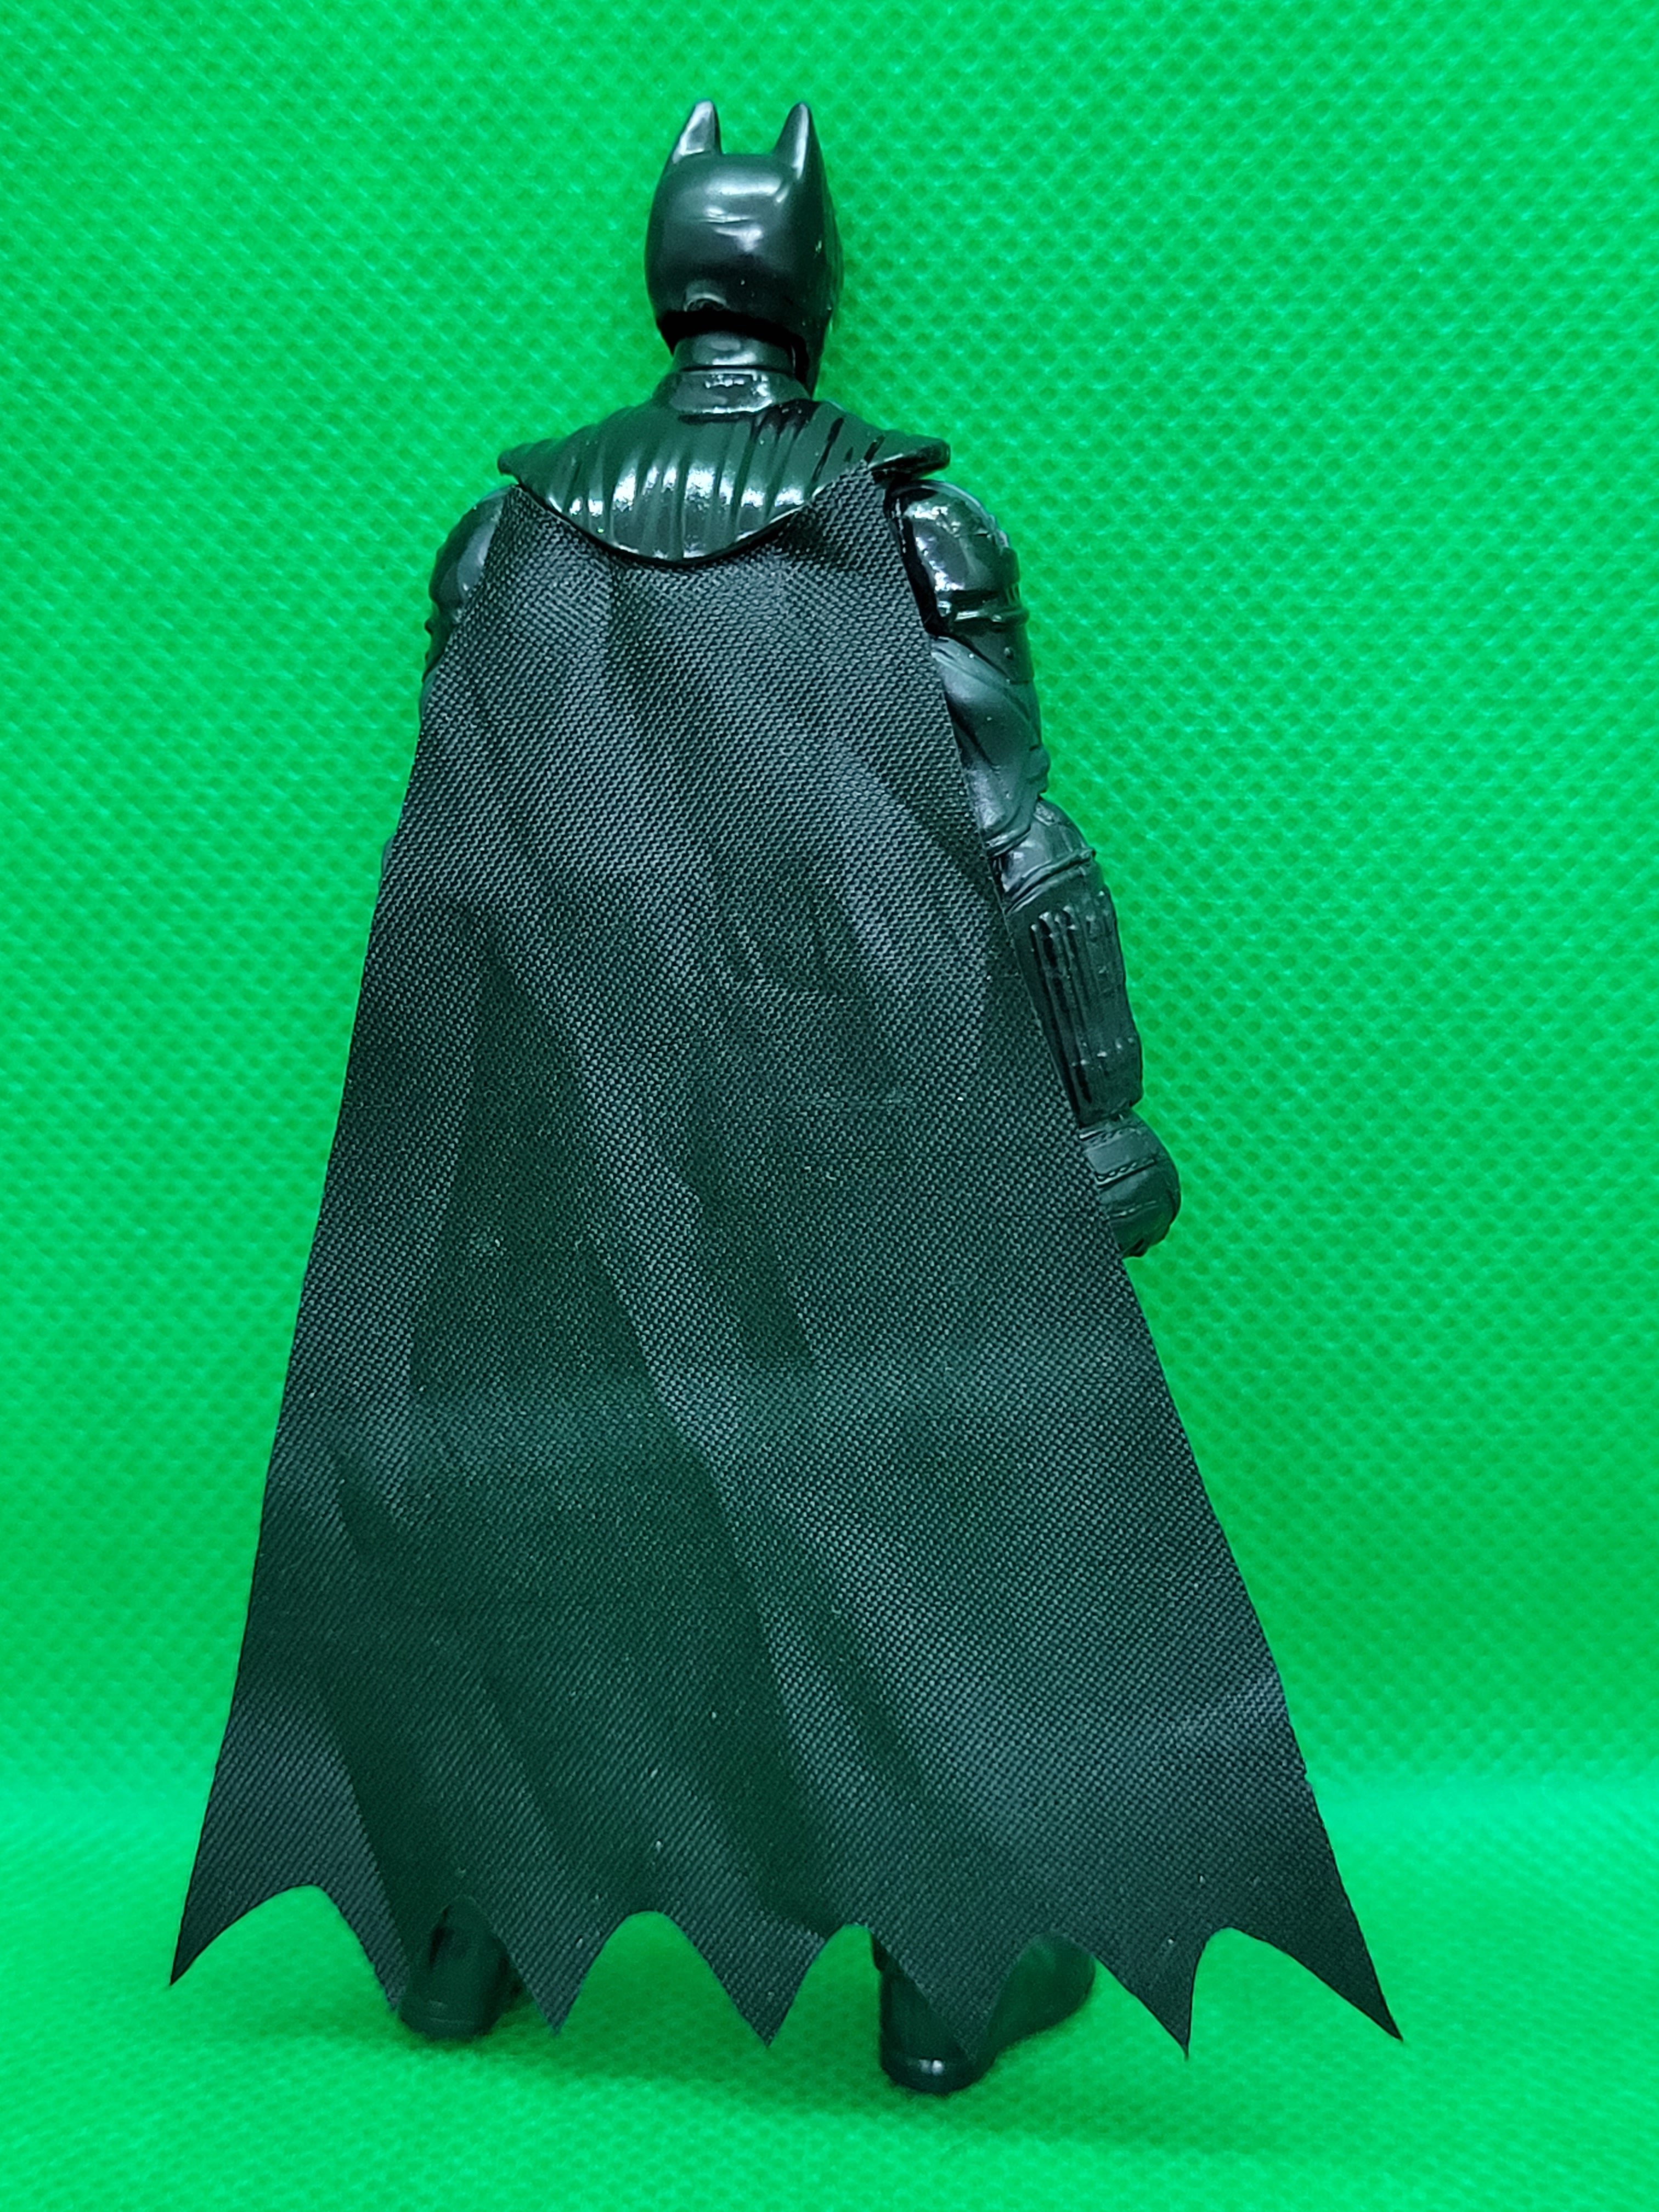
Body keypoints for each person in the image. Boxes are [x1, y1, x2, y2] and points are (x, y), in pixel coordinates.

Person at [174, 101, 1394, 2095]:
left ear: (669, 280)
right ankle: (939, 1979)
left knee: (505, 1497)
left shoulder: (501, 542)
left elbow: (449, 856)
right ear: (808, 286)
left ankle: (459, 1946)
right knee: (904, 1524)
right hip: (852, 1117)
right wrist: (1098, 1106)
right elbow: (1018, 849)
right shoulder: (912, 533)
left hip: (547, 1119)